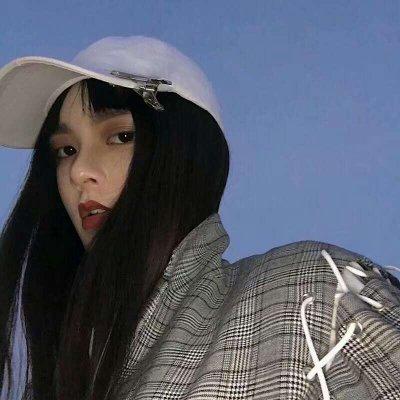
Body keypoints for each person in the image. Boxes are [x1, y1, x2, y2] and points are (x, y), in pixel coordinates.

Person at [0, 36, 399, 400]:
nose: (79, 171)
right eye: (66, 150)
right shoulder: (61, 379)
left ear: (186, 152)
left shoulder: (310, 295)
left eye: (121, 136)